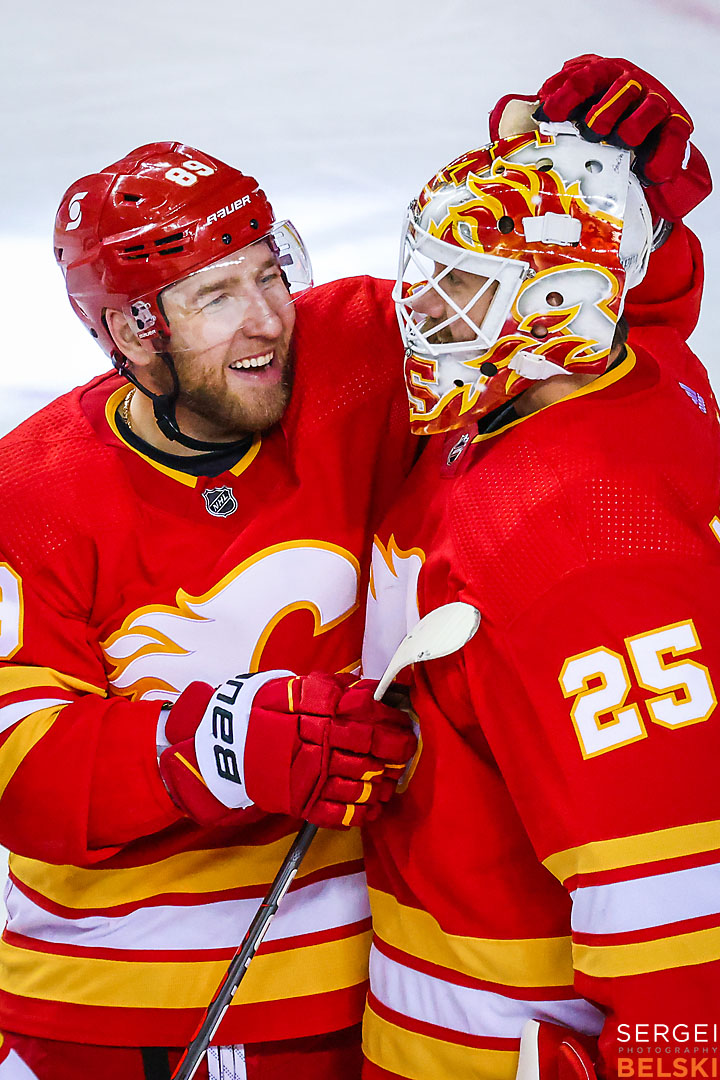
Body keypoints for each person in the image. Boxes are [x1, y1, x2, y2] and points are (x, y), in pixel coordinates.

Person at [0, 54, 708, 1080]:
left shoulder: (363, 359)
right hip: (99, 1017)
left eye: (269, 272)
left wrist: (637, 218)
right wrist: (206, 746)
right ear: (129, 330)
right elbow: (16, 760)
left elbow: (580, 355)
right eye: (215, 296)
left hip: (360, 1007)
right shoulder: (33, 486)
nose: (267, 318)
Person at [359, 63, 720, 1080]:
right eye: (422, 275)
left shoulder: (582, 542)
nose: (421, 314)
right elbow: (630, 303)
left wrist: (672, 1067)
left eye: (459, 289)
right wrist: (590, 180)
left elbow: (677, 902)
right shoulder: (575, 392)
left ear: (556, 302)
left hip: (490, 1047)